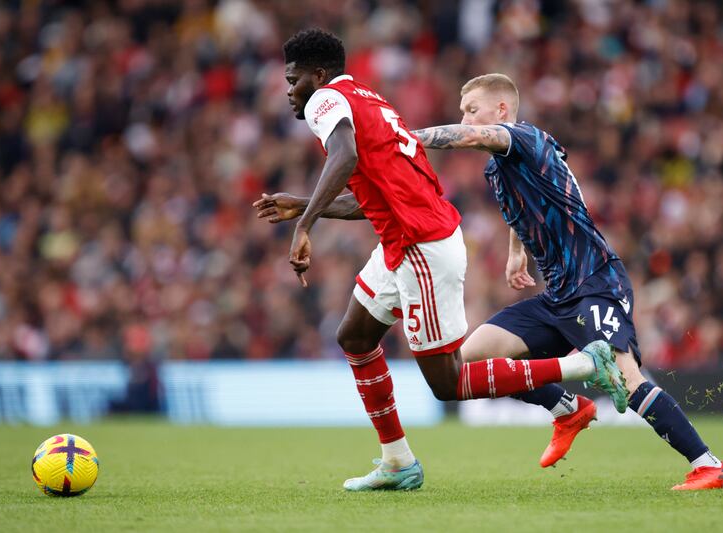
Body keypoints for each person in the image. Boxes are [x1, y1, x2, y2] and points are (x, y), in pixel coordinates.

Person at [254, 30, 628, 492]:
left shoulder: (325, 101)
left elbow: (345, 155)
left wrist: (305, 223)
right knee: (354, 335)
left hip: (421, 247)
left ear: (318, 75)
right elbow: (374, 197)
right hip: (403, 241)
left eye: (293, 81)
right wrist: (305, 202)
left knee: (448, 383)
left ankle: (583, 369)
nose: (289, 91)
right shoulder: (368, 99)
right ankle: (397, 461)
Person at [408, 73, 723, 491]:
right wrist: (516, 250)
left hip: (595, 282)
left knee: (625, 378)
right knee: (466, 361)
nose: (466, 118)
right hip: (557, 296)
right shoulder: (497, 169)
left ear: (502, 110)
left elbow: (472, 138)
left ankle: (709, 464)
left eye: (472, 110)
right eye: (463, 112)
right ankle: (567, 408)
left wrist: (402, 137)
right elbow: (521, 206)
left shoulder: (523, 137)